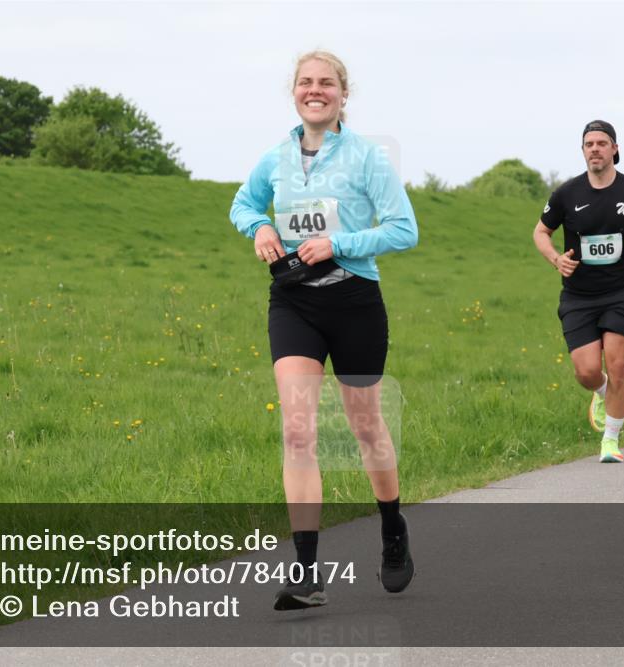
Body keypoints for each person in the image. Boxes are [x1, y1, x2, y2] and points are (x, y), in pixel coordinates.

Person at [229, 51, 419, 610]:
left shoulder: (367, 158)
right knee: (297, 431)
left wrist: (340, 243)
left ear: (343, 94)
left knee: (364, 427)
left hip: (355, 301)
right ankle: (307, 572)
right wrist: (261, 225)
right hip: (294, 302)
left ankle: (391, 528)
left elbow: (404, 229)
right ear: (294, 92)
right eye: (306, 83)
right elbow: (242, 204)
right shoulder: (276, 158)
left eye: (327, 83)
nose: (316, 91)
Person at [532, 120, 624, 463]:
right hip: (578, 295)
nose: (595, 148)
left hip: (622, 291)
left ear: (615, 149)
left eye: (601, 143)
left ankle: (610, 440)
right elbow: (540, 232)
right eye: (588, 144)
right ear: (583, 151)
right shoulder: (566, 194)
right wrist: (556, 260)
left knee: (619, 362)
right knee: (585, 371)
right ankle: (600, 390)